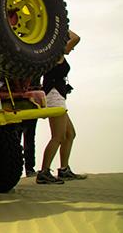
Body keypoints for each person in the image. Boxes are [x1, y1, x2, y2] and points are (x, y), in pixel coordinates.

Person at [37, 30, 86, 184]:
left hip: (58, 96)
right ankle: (44, 172)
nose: (72, 47)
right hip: (54, 96)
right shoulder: (55, 53)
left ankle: (64, 170)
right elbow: (76, 38)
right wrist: (58, 24)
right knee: (58, 136)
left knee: (70, 134)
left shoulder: (54, 53)